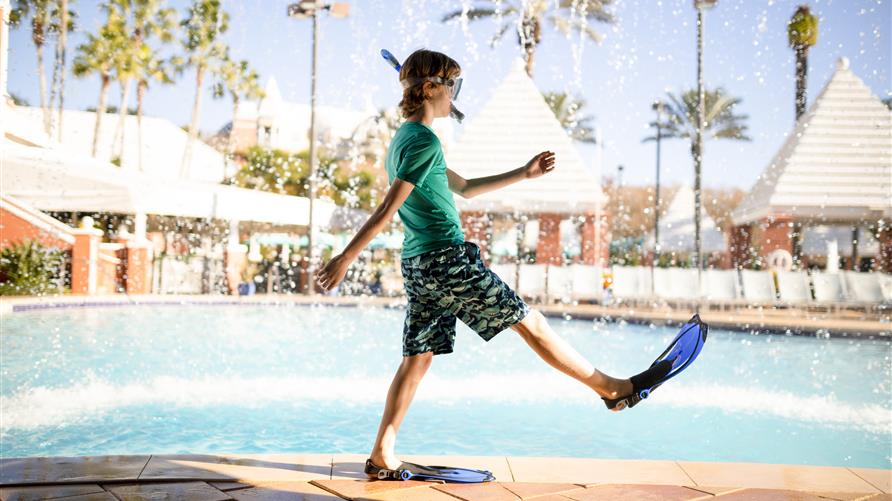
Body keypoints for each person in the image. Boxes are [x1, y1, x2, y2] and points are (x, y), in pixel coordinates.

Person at [314, 48, 670, 479]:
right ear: (430, 89)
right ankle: (612, 390)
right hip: (446, 260)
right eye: (452, 85)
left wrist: (524, 173)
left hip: (420, 265)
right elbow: (388, 208)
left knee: (419, 356)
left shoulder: (406, 139)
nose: (455, 95)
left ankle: (382, 452)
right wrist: (345, 257)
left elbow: (463, 187)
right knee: (529, 321)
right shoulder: (423, 141)